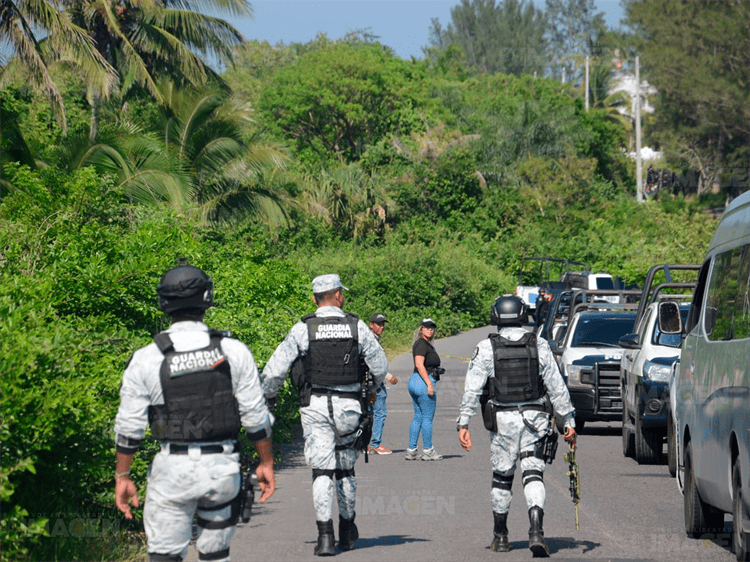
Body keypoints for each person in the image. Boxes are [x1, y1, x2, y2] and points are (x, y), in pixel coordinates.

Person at [113, 263, 276, 562]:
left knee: (164, 555)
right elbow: (255, 415)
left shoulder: (147, 358)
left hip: (172, 468)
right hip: (222, 469)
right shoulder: (233, 350)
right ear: (207, 297)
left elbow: (129, 427)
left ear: (163, 303)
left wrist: (122, 475)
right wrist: (265, 461)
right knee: (215, 555)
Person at [261, 274, 388, 556]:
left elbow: (274, 370)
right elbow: (379, 365)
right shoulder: (357, 327)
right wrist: (372, 390)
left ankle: (325, 538)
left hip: (314, 405)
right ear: (339, 296)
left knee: (321, 470)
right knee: (345, 468)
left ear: (314, 299)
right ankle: (347, 529)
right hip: (349, 405)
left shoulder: (302, 329)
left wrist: (269, 395)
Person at [457, 295, 576, 557]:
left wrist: (463, 422)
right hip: (535, 419)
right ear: (523, 315)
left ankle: (500, 537)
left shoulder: (486, 348)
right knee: (533, 473)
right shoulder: (539, 344)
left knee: (502, 476)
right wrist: (568, 421)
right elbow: (557, 387)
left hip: (502, 421)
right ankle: (536, 531)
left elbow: (472, 390)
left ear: (496, 316)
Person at [406, 318, 443, 461]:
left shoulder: (424, 344)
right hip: (422, 381)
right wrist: (429, 383)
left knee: (418, 416)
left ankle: (411, 450)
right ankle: (428, 450)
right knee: (427, 418)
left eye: (432, 327)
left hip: (415, 381)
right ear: (421, 329)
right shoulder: (421, 344)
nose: (430, 329)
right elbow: (419, 364)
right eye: (427, 327)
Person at [367, 313, 398, 455]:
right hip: (374, 383)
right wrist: (388, 376)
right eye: (378, 324)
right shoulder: (371, 342)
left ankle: (365, 444)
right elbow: (373, 365)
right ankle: (375, 445)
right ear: (371, 325)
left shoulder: (369, 339)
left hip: (367, 382)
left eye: (383, 324)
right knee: (379, 413)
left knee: (368, 414)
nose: (381, 327)